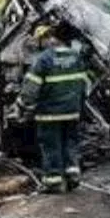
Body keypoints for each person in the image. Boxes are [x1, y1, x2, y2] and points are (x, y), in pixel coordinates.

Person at [21, 26, 89, 193]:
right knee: (70, 143)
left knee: (51, 146)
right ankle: (73, 175)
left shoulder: (44, 59)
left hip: (49, 114)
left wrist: (23, 106)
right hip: (72, 112)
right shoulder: (77, 58)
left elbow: (30, 89)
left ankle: (53, 182)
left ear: (53, 39)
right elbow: (85, 86)